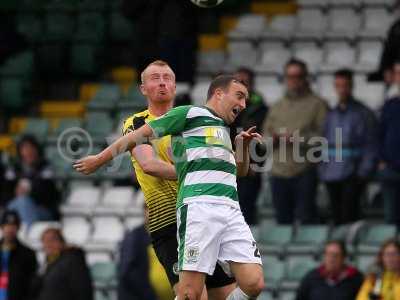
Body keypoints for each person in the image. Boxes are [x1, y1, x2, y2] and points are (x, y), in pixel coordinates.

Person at [74, 74, 265, 300]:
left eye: (245, 99)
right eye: (239, 96)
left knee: (254, 283)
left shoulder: (223, 130)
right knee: (190, 293)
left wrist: (242, 148)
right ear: (218, 93)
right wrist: (99, 159)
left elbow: (239, 173)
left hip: (231, 210)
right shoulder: (190, 113)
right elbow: (137, 136)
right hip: (200, 209)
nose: (243, 104)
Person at [120, 60, 236, 299]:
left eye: (167, 78)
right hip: (168, 223)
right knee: (193, 295)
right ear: (143, 89)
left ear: (174, 86)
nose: (162, 82)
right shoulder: (137, 123)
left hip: (202, 218)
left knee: (227, 294)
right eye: (155, 78)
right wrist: (197, 171)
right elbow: (149, 164)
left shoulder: (192, 122)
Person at [262, 59, 328, 224]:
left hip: (305, 170)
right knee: (282, 221)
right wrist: (274, 139)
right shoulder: (276, 106)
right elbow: (263, 139)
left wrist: (297, 139)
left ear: (305, 78)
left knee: (307, 219)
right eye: (289, 76)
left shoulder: (317, 104)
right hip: (278, 172)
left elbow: (325, 137)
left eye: (297, 76)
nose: (293, 80)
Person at [318, 69, 378, 225]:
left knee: (350, 215)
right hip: (331, 172)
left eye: (345, 85)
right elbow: (323, 142)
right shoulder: (331, 114)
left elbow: (371, 144)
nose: (342, 89)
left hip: (353, 173)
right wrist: (323, 169)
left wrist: (363, 172)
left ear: (351, 86)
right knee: (336, 216)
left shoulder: (363, 114)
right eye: (338, 85)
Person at [232, 67, 268, 225]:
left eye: (245, 82)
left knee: (246, 211)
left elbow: (262, 140)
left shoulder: (261, 109)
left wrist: (255, 163)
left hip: (250, 169)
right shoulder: (227, 108)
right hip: (229, 166)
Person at [118, 204, 173, 300]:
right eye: (150, 209)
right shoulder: (134, 237)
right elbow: (128, 272)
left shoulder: (168, 235)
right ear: (144, 211)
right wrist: (150, 295)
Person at [2, 135, 60, 219]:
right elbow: (5, 192)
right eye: (25, 148)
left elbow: (49, 194)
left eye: (31, 148)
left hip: (41, 209)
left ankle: (26, 231)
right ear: (20, 151)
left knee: (24, 202)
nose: (29, 151)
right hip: (16, 206)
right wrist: (16, 192)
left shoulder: (46, 167)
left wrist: (29, 191)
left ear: (37, 150)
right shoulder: (14, 168)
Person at [31, 227, 93, 300]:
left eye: (52, 240)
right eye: (45, 241)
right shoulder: (47, 262)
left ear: (62, 242)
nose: (48, 244)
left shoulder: (73, 260)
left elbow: (83, 290)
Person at [295, 240, 363, 300]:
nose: (331, 259)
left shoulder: (356, 279)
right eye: (328, 255)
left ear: (343, 257)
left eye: (336, 255)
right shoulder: (311, 278)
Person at [378, 60, 400, 228]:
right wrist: (381, 161)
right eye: (398, 73)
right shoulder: (390, 105)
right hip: (391, 170)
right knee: (391, 220)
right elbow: (380, 135)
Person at [0, 210, 37, 300]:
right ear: (2, 227)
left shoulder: (28, 254)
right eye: (7, 225)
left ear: (18, 227)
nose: (10, 229)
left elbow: (32, 285)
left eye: (13, 226)